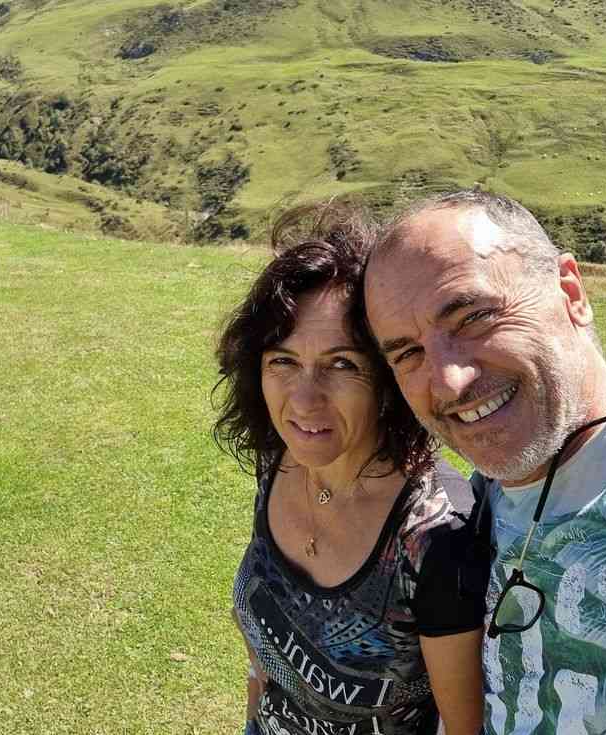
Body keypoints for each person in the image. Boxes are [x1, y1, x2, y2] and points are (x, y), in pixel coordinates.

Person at [363, 189, 606, 735]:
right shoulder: (483, 498)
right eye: (408, 353)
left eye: (474, 317)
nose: (449, 383)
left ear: (571, 292)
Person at [214, 202, 490, 735]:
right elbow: (263, 649)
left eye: (341, 364)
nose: (304, 401)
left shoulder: (437, 540)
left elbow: (462, 728)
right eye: (283, 361)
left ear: (388, 377)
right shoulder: (280, 460)